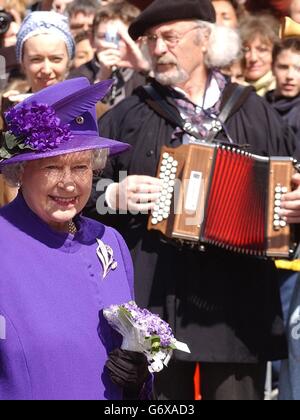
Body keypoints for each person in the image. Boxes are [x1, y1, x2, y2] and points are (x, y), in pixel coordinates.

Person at [85, 0, 300, 401]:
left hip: (235, 310)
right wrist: (113, 194)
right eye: (152, 40)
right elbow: (77, 190)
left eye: (170, 37)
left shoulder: (254, 110)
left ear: (205, 41)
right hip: (155, 302)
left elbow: (293, 180)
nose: (159, 48)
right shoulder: (129, 114)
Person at [0, 77, 151, 400]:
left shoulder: (110, 242)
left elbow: (130, 340)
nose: (69, 184)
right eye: (53, 167)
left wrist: (139, 376)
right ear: (20, 171)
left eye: (80, 167)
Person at [68, 1, 148, 109]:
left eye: (120, 38)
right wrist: (101, 79)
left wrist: (146, 70)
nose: (111, 44)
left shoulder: (145, 74)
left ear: (137, 41)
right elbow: (76, 115)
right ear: (92, 40)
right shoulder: (78, 77)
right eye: (103, 37)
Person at [240, 14, 279, 96]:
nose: (253, 58)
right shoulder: (226, 88)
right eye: (245, 50)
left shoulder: (282, 90)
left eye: (262, 50)